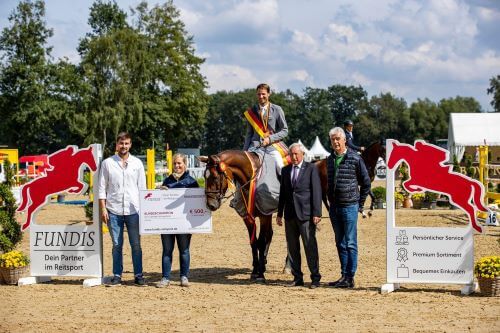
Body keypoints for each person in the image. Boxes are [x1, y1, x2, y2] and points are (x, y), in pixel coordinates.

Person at [98, 132, 147, 286]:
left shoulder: (137, 163)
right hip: (114, 210)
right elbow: (101, 188)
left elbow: (142, 188)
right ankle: (117, 275)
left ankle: (138, 275)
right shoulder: (107, 163)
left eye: (126, 143)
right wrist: (103, 209)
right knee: (117, 245)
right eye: (121, 143)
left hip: (134, 211)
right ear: (116, 144)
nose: (123, 146)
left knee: (136, 245)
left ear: (130, 145)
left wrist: (144, 211)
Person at [327, 127, 371, 288]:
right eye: (333, 139)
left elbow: (366, 183)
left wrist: (360, 204)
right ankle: (343, 275)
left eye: (338, 138)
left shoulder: (355, 158)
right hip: (335, 208)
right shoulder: (329, 159)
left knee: (350, 242)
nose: (336, 142)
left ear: (345, 140)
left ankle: (350, 277)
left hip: (350, 206)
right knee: (340, 243)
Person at [277, 142, 322, 289]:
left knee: (310, 247)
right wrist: (279, 213)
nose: (294, 157)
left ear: (302, 154)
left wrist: (317, 212)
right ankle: (297, 278)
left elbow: (317, 192)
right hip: (289, 216)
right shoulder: (285, 170)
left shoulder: (311, 168)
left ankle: (315, 278)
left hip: (306, 215)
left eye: (296, 154)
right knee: (292, 248)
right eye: (292, 154)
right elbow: (283, 193)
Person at [156, 153, 199, 288]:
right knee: (167, 250)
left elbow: (197, 202)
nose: (177, 166)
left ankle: (184, 277)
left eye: (179, 163)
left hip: (184, 223)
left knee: (184, 250)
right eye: (175, 163)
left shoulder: (192, 182)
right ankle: (165, 278)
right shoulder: (167, 181)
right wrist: (159, 192)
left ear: (185, 164)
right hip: (167, 223)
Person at [243, 83, 289, 174]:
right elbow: (249, 134)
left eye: (263, 94)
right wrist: (244, 151)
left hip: (272, 146)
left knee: (281, 167)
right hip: (254, 147)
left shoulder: (277, 109)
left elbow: (285, 130)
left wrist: (270, 139)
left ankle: (285, 188)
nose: (261, 96)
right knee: (243, 169)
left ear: (269, 94)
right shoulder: (251, 112)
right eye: (259, 94)